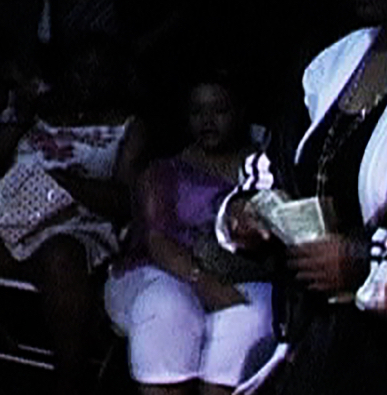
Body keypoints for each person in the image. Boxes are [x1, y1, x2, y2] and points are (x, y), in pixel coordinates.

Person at [218, 0, 387, 395]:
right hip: (317, 340)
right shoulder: (332, 61)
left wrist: (364, 261)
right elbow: (272, 168)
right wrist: (245, 211)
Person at [0, 36, 147, 395]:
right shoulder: (37, 116)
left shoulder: (128, 127)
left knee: (60, 254)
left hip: (81, 229)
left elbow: (128, 201)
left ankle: (71, 381)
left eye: (102, 72)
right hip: (17, 221)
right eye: (83, 70)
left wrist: (66, 184)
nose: (91, 79)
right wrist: (13, 121)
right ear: (66, 73)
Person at [105, 74, 274, 395]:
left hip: (243, 273)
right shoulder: (163, 172)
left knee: (249, 314)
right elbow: (157, 242)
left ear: (240, 112)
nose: (207, 121)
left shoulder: (266, 170)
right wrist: (205, 284)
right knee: (167, 307)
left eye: (219, 110)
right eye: (198, 112)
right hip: (162, 272)